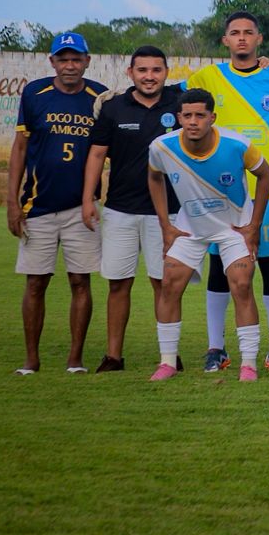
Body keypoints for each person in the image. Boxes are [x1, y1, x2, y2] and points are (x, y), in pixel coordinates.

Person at [186, 11, 269, 373]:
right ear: (225, 40)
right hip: (221, 194)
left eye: (248, 32)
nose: (241, 38)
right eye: (234, 32)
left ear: (259, 39)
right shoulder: (207, 77)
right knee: (219, 269)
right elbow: (168, 98)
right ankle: (216, 347)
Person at [146, 90, 269, 382]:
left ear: (212, 118)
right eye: (187, 116)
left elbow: (265, 175)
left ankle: (248, 365)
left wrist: (254, 224)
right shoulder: (162, 147)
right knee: (169, 285)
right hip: (190, 226)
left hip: (234, 227)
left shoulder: (237, 145)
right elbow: (153, 176)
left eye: (200, 115)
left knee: (242, 285)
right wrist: (165, 224)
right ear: (179, 118)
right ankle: (167, 363)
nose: (193, 122)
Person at [7, 32, 108, 375]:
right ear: (52, 61)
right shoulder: (34, 93)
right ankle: (31, 360)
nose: (70, 65)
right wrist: (12, 203)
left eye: (76, 59)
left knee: (80, 281)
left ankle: (75, 360)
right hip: (37, 206)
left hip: (83, 208)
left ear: (87, 61)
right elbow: (20, 148)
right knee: (36, 282)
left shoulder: (99, 97)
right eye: (63, 59)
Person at [81, 44, 183, 372]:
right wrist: (88, 198)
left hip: (167, 212)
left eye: (156, 70)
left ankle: (169, 356)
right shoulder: (113, 108)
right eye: (142, 70)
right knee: (118, 283)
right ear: (130, 73)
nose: (149, 76)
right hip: (120, 210)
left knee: (164, 284)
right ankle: (113, 356)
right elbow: (97, 154)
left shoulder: (180, 104)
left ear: (166, 73)